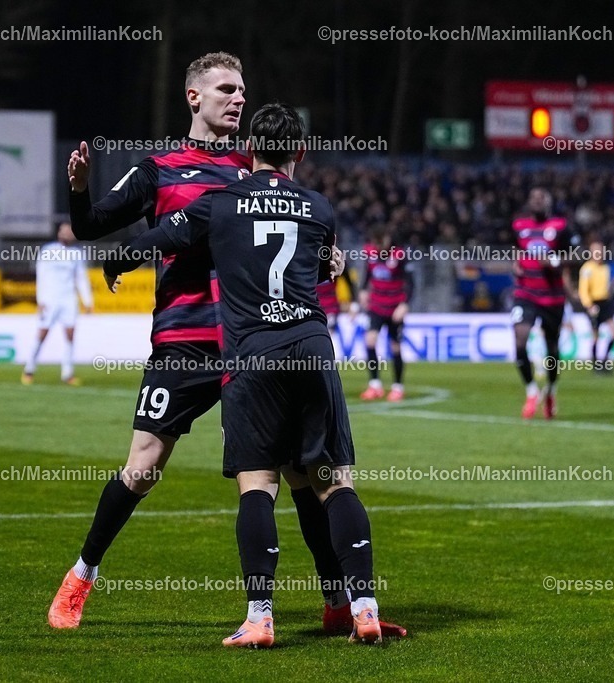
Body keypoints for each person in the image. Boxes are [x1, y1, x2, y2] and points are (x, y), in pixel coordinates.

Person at [48, 52, 402, 639]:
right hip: (186, 341)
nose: (238, 99)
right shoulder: (159, 170)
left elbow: (300, 248)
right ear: (194, 97)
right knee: (143, 468)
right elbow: (90, 228)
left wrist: (328, 261)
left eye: (242, 91)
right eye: (226, 90)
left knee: (299, 474)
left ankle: (337, 600)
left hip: (255, 343)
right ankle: (80, 578)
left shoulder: (257, 168)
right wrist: (81, 193)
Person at [510, 188, 578, 419]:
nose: (536, 201)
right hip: (525, 293)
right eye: (533, 198)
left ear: (549, 202)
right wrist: (516, 263)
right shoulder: (519, 226)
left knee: (552, 350)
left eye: (541, 198)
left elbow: (577, 255)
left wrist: (554, 260)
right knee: (519, 340)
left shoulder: (561, 226)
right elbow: (516, 250)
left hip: (552, 296)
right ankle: (531, 392)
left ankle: (550, 390)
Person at [22, 221, 94, 386]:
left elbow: (81, 278)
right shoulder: (48, 251)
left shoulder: (77, 254)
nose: (67, 234)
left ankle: (67, 373)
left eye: (70, 231)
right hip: (50, 299)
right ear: (59, 233)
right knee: (42, 334)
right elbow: (41, 276)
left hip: (68, 299)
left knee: (70, 335)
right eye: (64, 231)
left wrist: (87, 301)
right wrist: (40, 300)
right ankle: (29, 369)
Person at [358, 226, 413, 402]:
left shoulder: (399, 255)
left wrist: (404, 304)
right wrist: (363, 291)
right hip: (376, 305)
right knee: (370, 340)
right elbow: (367, 275)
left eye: (381, 241)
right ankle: (375, 385)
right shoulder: (370, 253)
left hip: (395, 306)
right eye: (376, 242)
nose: (378, 245)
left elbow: (411, 283)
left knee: (395, 347)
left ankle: (398, 387)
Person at [578, 238, 614, 373]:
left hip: (605, 302)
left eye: (600, 250)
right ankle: (596, 364)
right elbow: (583, 290)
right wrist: (589, 306)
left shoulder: (605, 267)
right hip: (593, 304)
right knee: (596, 335)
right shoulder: (587, 268)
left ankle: (605, 360)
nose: (598, 253)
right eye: (595, 250)